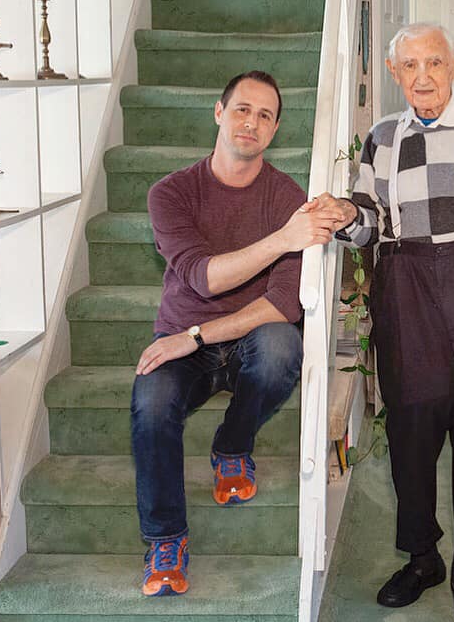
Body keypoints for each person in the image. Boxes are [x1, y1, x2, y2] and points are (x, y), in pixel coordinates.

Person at [317, 23, 454, 622]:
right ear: (394, 73)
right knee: (411, 435)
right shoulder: (382, 137)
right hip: (405, 287)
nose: (423, 77)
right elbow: (368, 221)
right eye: (410, 65)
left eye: (434, 63)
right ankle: (422, 557)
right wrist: (344, 213)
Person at [130, 70, 338, 597]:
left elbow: (285, 303)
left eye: (265, 115)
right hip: (182, 341)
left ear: (274, 131)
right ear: (219, 113)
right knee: (151, 406)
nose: (252, 122)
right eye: (243, 109)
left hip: (237, 337)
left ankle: (232, 446)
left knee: (281, 348)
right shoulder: (171, 193)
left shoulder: (287, 196)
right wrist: (283, 239)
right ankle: (165, 541)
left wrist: (198, 335)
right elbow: (203, 276)